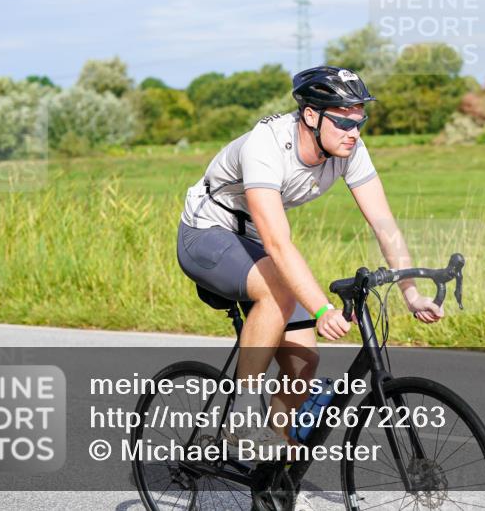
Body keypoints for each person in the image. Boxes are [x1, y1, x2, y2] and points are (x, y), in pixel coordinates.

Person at [176, 65, 444, 454]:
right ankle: (242, 415)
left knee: (303, 364)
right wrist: (321, 310)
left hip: (252, 241)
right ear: (311, 115)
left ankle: (269, 457)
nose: (354, 133)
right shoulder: (266, 145)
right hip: (206, 232)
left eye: (360, 122)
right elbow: (279, 243)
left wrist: (411, 293)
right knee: (279, 290)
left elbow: (385, 225)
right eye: (343, 123)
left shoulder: (350, 150)